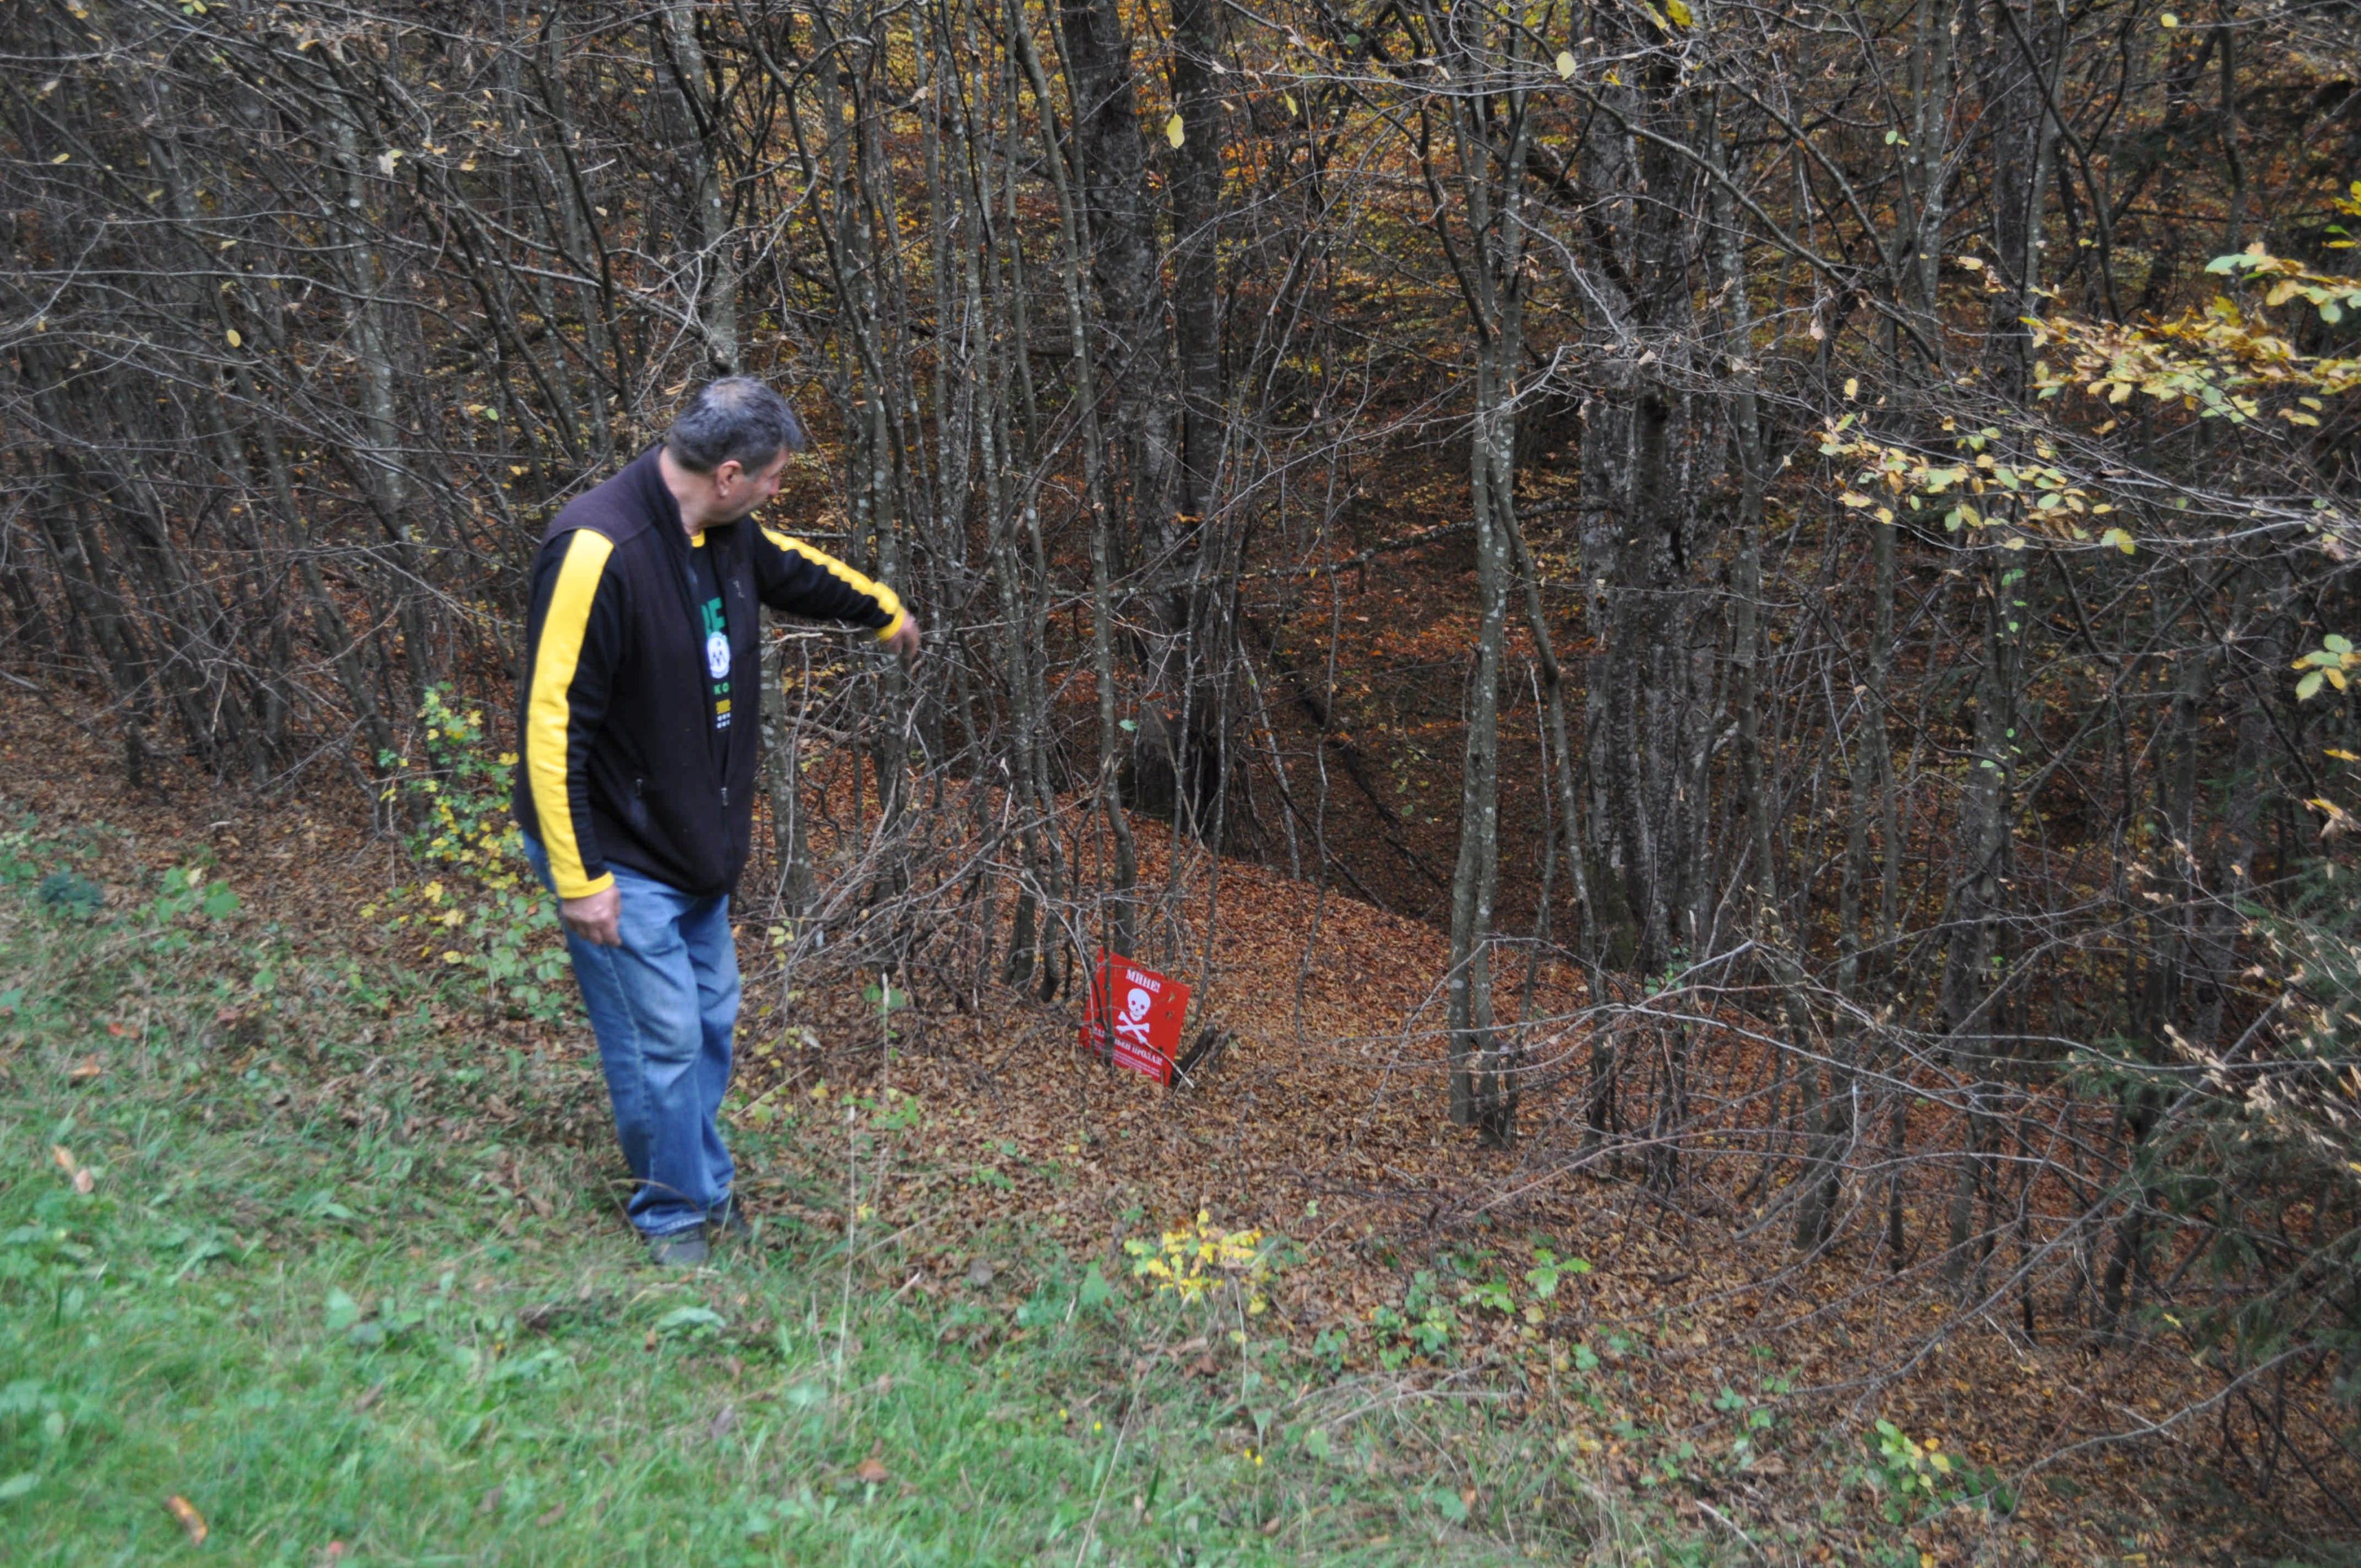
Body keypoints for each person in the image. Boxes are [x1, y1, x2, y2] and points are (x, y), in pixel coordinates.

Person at [513, 378, 920, 1267]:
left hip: (698, 848)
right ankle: (675, 1218)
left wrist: (881, 609)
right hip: (619, 853)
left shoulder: (726, 534)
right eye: (774, 477)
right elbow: (549, 730)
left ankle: (697, 1183)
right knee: (662, 1037)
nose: (780, 491)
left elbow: (801, 572)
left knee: (710, 1025)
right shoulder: (596, 550)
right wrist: (580, 880)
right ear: (729, 472)